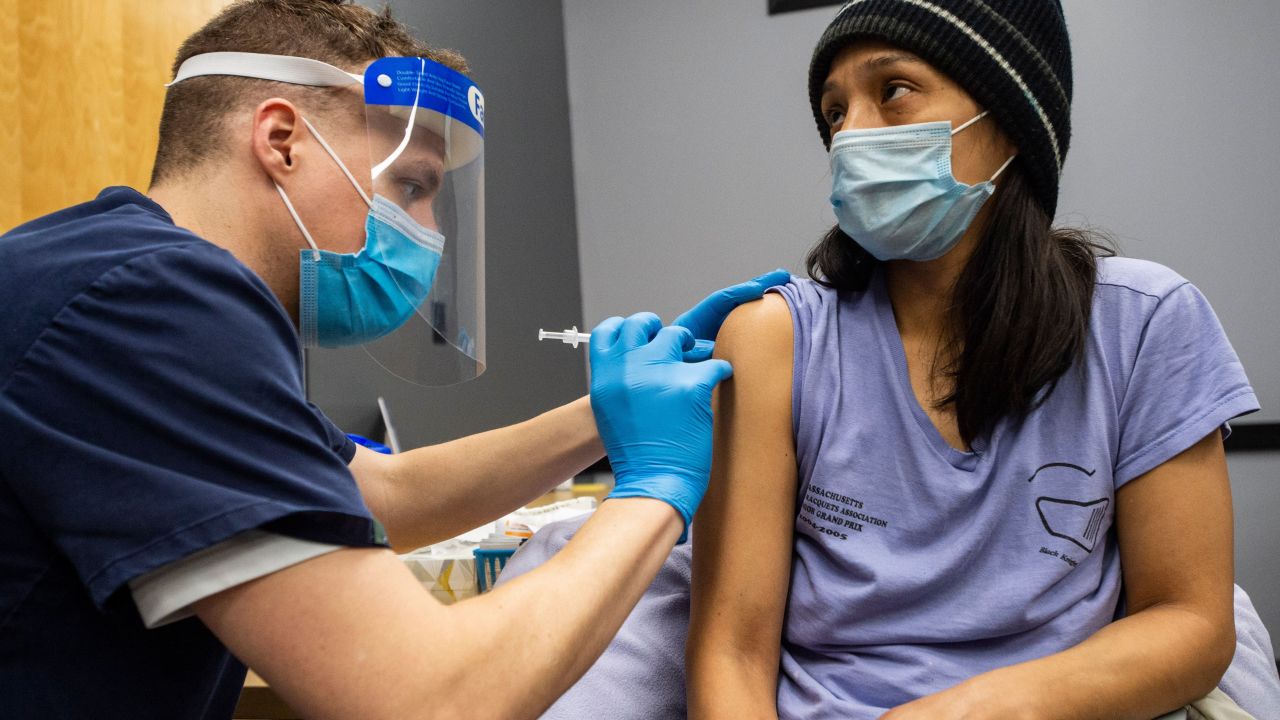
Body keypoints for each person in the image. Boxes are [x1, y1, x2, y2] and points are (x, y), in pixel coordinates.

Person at [0, 1, 788, 718]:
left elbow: (380, 494)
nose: (429, 229)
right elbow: (428, 701)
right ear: (281, 141)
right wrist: (655, 490)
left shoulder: (109, 271)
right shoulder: (156, 303)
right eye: (411, 186)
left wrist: (604, 416)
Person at [687, 2, 1260, 719]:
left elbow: (1192, 623)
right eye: (834, 112)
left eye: (892, 92)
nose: (850, 135)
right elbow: (731, 654)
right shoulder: (774, 340)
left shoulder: (1143, 324)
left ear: (1012, 121)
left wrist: (979, 709)